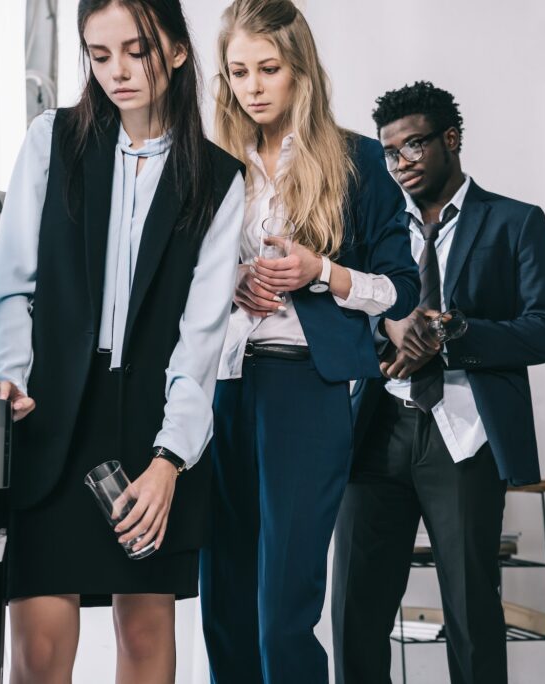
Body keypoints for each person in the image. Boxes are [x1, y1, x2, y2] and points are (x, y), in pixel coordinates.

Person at [0, 1, 245, 681]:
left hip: (154, 427)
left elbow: (201, 339)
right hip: (51, 416)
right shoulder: (52, 139)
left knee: (147, 639)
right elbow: (8, 283)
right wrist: (5, 373)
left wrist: (170, 460)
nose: (116, 71)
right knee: (35, 652)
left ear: (178, 50)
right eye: (99, 55)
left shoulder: (218, 179)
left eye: (136, 50)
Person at [199, 2, 419, 682]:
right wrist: (227, 279)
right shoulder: (211, 165)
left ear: (301, 71)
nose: (253, 87)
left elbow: (401, 289)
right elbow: (173, 278)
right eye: (238, 72)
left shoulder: (356, 161)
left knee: (283, 601)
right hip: (219, 387)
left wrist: (321, 272)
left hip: (305, 388)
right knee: (224, 594)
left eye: (269, 69)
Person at [330, 81, 545, 684]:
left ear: (451, 140)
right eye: (389, 152)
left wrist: (453, 333)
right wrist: (390, 336)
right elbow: (340, 320)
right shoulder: (372, 229)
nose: (401, 163)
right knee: (355, 610)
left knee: (471, 611)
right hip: (377, 428)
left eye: (414, 146)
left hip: (464, 437)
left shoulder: (515, 222)